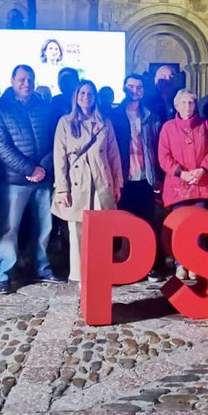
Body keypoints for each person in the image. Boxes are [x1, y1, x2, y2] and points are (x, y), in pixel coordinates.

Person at [0, 64, 59, 292]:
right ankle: (3, 273)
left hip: (44, 178)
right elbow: (2, 147)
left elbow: (54, 140)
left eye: (30, 79)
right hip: (14, 180)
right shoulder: (0, 109)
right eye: (21, 79)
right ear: (12, 80)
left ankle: (41, 267)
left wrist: (43, 168)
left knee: (44, 226)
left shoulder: (45, 108)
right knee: (9, 228)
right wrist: (30, 169)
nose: (26, 83)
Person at [53, 80, 123, 282]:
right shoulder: (65, 122)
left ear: (95, 98)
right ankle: (78, 275)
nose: (86, 97)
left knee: (102, 228)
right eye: (82, 93)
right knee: (77, 230)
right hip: (77, 181)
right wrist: (62, 188)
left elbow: (114, 155)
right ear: (76, 96)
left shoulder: (104, 123)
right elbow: (59, 158)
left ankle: (100, 272)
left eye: (90, 93)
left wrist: (117, 182)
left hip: (101, 179)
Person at [158, 89, 208, 282]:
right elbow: (164, 157)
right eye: (183, 103)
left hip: (201, 183)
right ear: (176, 106)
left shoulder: (206, 125)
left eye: (191, 102)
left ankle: (196, 263)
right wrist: (181, 173)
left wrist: (202, 169)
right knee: (180, 226)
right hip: (178, 186)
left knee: (198, 226)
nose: (187, 106)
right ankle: (180, 263)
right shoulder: (168, 127)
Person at [112, 74, 162, 273]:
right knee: (121, 222)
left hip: (145, 177)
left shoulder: (151, 116)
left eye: (138, 87)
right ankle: (121, 264)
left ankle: (150, 265)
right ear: (124, 88)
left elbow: (157, 146)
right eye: (130, 86)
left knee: (147, 222)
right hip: (123, 177)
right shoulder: (114, 115)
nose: (134, 90)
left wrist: (157, 176)